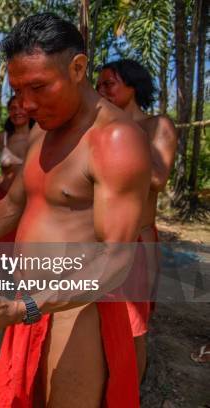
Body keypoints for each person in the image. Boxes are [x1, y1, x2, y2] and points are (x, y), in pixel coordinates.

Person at [0, 13, 150, 406]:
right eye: (18, 90)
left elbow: (117, 259)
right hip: (25, 304)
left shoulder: (115, 140)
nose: (27, 103)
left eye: (39, 87)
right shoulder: (42, 130)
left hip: (78, 312)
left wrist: (29, 306)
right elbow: (12, 207)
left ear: (77, 68)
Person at [97, 58, 178, 383]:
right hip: (100, 241)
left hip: (137, 239)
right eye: (99, 85)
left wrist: (124, 132)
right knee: (101, 322)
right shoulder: (99, 129)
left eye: (109, 84)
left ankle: (129, 392)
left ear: (132, 86)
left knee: (133, 328)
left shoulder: (157, 126)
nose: (101, 91)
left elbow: (157, 179)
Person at [0, 95, 34, 241]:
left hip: (31, 202)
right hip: (4, 199)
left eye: (22, 107)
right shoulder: (1, 138)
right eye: (13, 108)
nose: (17, 111)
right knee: (2, 250)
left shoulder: (41, 135)